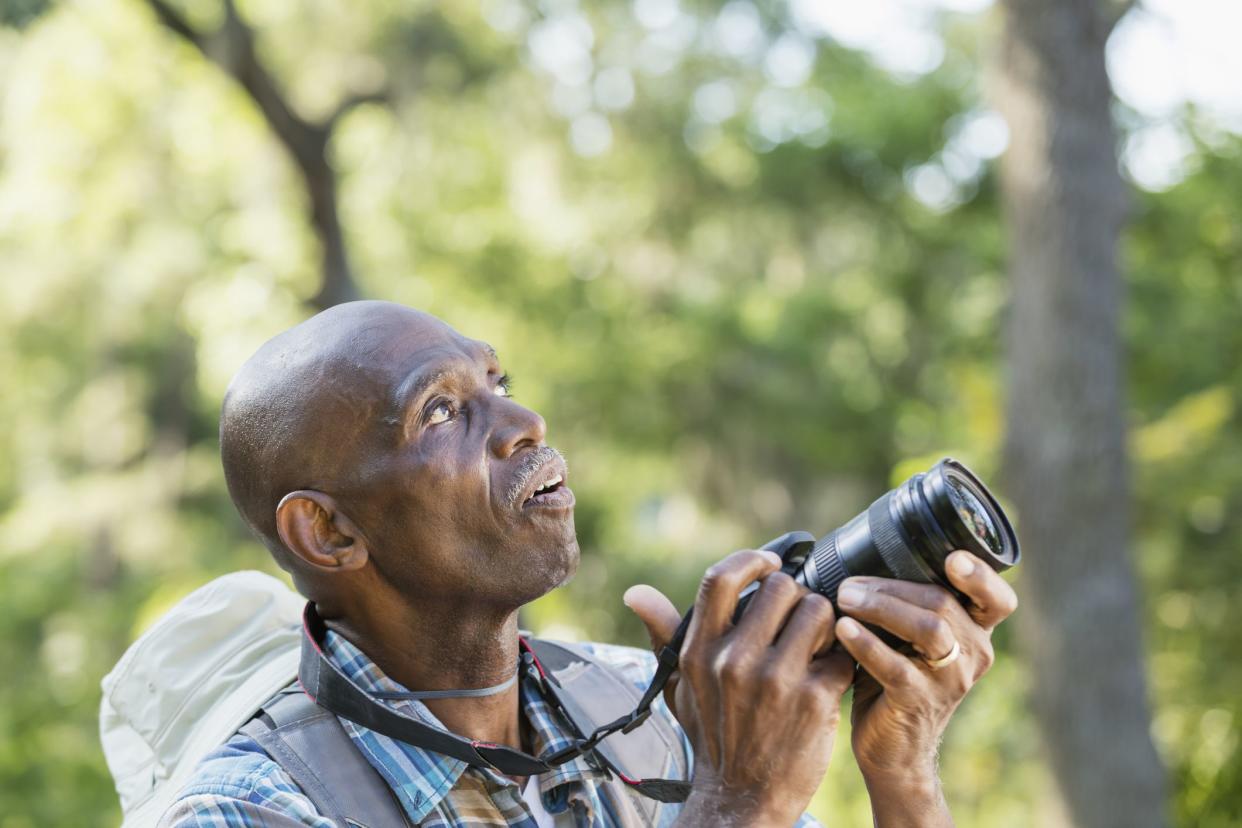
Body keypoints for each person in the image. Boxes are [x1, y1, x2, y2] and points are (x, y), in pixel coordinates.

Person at [160, 300, 1017, 827]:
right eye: (441, 410)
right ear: (328, 533)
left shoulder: (644, 712)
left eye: (498, 381)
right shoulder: (252, 810)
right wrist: (736, 803)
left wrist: (902, 771)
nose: (523, 420)